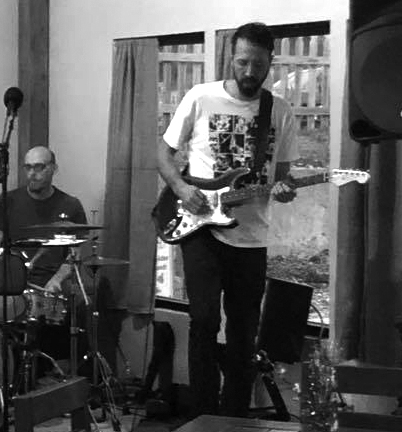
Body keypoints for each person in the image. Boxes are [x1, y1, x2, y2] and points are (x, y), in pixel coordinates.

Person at [157, 22, 298, 418]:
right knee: (203, 320)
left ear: (270, 61)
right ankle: (202, 416)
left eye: (258, 64)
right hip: (201, 227)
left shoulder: (279, 111)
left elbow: (283, 176)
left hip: (252, 236)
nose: (249, 72)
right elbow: (163, 154)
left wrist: (285, 188)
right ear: (231, 58)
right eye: (242, 62)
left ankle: (234, 417)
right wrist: (182, 189)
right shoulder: (201, 97)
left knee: (243, 330)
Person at [0, 146, 88, 376]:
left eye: (39, 167)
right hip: (13, 281)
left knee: (77, 308)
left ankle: (51, 374)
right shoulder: (8, 200)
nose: (32, 173)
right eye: (28, 167)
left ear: (53, 169)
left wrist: (57, 280)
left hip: (49, 283)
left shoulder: (70, 205)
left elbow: (74, 255)